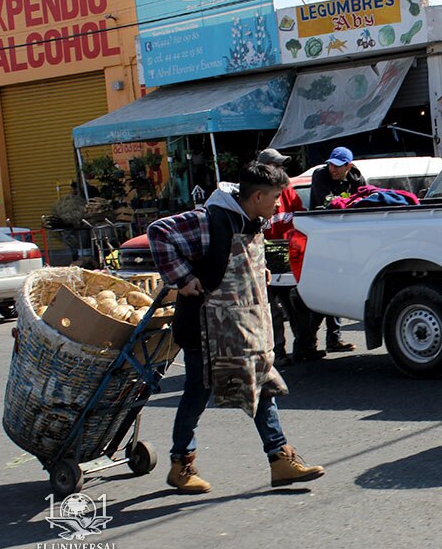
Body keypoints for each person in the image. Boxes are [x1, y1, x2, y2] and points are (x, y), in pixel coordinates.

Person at [148, 161, 326, 493]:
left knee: (260, 386)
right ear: (257, 195)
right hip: (206, 329)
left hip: (242, 329)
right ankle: (181, 464)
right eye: (275, 197)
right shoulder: (209, 220)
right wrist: (182, 279)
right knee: (197, 394)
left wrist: (259, 276)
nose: (278, 204)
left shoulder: (253, 220)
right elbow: (159, 232)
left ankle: (280, 458)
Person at [295, 146, 365, 354]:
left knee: (337, 291)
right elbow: (328, 203)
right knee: (320, 293)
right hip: (321, 239)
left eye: (338, 165)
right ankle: (305, 344)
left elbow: (364, 202)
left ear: (348, 166)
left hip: (345, 241)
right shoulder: (320, 176)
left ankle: (333, 339)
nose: (333, 169)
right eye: (331, 164)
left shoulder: (356, 177)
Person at [257, 148, 310, 366]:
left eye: (281, 166)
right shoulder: (257, 193)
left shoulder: (287, 188)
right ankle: (277, 351)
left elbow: (299, 213)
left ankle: (304, 346)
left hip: (287, 255)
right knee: (271, 310)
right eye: (276, 166)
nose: (281, 170)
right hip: (265, 258)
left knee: (296, 305)